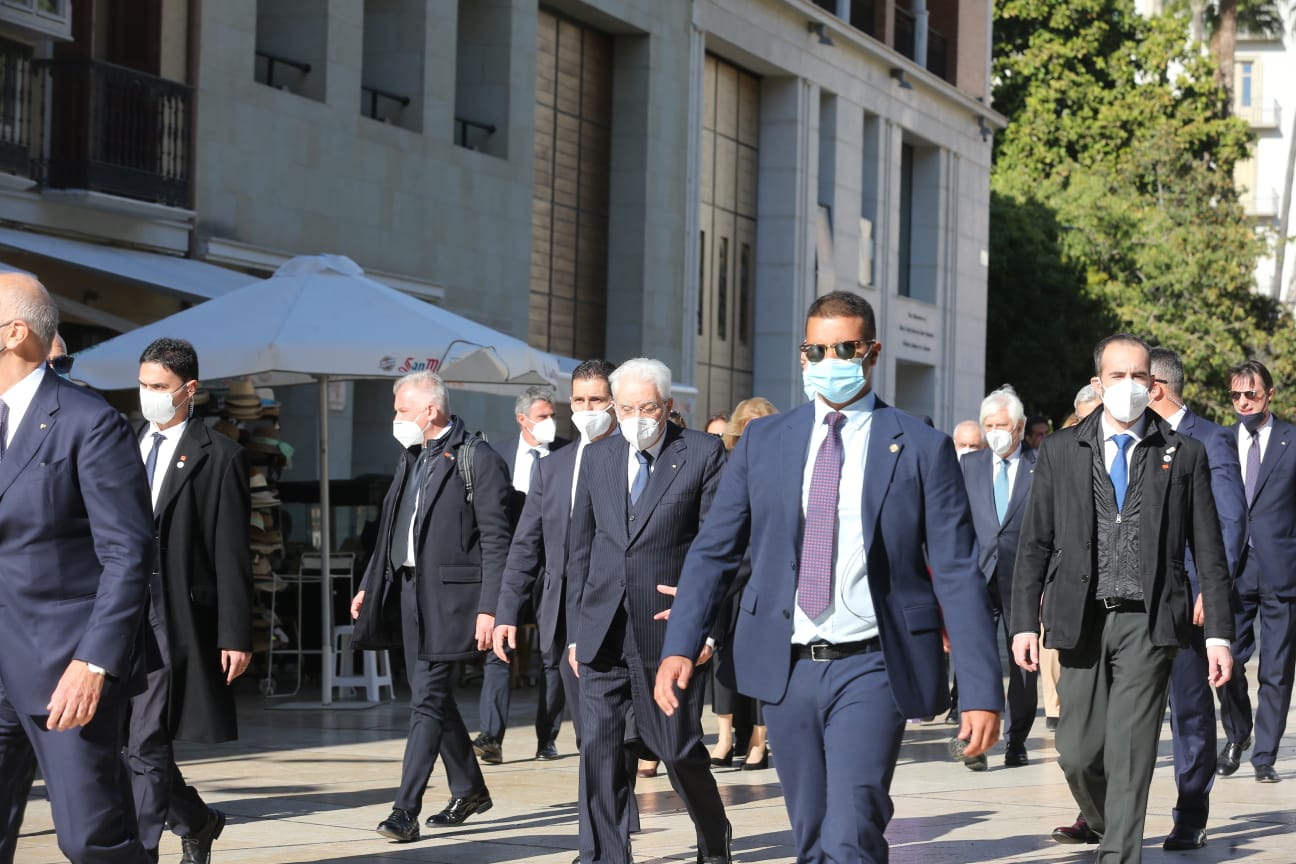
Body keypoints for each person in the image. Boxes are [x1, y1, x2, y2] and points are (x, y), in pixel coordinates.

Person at [656, 291, 1003, 864]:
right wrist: (681, 643)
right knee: (813, 838)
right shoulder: (765, 442)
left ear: (872, 351)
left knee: (852, 831)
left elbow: (960, 573)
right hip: (787, 667)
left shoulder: (920, 446)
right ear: (801, 357)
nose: (830, 361)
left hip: (874, 663)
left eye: (845, 348)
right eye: (816, 350)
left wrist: (981, 691)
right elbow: (714, 550)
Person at [1012, 333, 1233, 864]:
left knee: (1131, 750)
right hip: (1080, 620)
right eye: (1119, 376)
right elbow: (1035, 542)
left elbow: (1209, 550)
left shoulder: (1184, 454)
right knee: (1076, 753)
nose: (1131, 386)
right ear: (1098, 383)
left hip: (1150, 622)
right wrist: (1023, 621)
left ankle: (1119, 853)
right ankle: (1113, 823)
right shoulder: (1062, 451)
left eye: (1141, 377)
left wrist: (1220, 634)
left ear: (1154, 385)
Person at [0, 272, 155, 864]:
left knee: (91, 840)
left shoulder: (89, 422)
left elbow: (129, 554)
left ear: (15, 333)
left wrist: (94, 662)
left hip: (62, 669)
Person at [566, 358, 730, 864]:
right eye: (628, 407)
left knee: (677, 749)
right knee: (599, 751)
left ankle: (714, 836)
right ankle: (608, 857)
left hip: (668, 631)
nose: (638, 416)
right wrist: (575, 632)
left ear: (668, 407)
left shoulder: (702, 453)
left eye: (649, 407)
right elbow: (581, 547)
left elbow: (719, 546)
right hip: (602, 631)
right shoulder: (598, 457)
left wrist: (703, 631)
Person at [350, 371, 512, 843]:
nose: (395, 419)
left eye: (401, 410)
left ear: (430, 410)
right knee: (431, 697)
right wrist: (368, 583)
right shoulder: (412, 457)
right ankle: (470, 789)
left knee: (425, 700)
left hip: (454, 600)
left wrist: (491, 609)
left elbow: (497, 542)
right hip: (407, 592)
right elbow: (390, 530)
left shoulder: (477, 459)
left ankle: (405, 810)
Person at [130, 338, 254, 864]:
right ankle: (196, 821)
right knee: (126, 742)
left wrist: (235, 634)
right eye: (143, 386)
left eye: (158, 387)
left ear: (189, 390)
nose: (148, 396)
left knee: (145, 742)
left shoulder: (219, 455)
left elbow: (232, 553)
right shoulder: (122, 442)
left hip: (174, 617)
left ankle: (138, 851)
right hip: (117, 615)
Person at [1144, 347, 1246, 848]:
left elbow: (1229, 520)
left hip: (1189, 599)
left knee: (1189, 712)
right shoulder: (1135, 439)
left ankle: (1190, 815)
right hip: (1136, 599)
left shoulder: (1211, 438)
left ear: (1156, 388)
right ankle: (1102, 811)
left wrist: (1212, 586)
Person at [475, 385, 570, 765]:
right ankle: (491, 737)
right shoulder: (495, 455)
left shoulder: (567, 452)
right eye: (543, 416)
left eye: (552, 416)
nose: (551, 422)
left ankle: (547, 737)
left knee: (551, 653)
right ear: (522, 419)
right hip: (509, 567)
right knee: (499, 648)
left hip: (553, 565)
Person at [1216, 360, 1295, 785]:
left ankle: (1264, 756)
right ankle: (1238, 733)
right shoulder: (1222, 441)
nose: (1243, 402)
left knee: (1277, 669)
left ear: (1269, 395)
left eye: (1251, 394)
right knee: (1226, 657)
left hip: (1283, 571)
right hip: (1232, 572)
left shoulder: (1292, 440)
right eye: (1236, 395)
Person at [960, 386, 1038, 769]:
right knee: (976, 657)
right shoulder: (969, 467)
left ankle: (1016, 740)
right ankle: (972, 743)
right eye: (988, 425)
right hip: (977, 576)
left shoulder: (1041, 466)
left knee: (1023, 664)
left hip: (1024, 580)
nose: (995, 432)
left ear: (1020, 427)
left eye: (1002, 425)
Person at [709, 397, 778, 771]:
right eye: (746, 424)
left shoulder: (784, 465)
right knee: (724, 658)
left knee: (762, 660)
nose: (753, 432)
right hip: (729, 575)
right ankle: (723, 737)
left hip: (766, 576)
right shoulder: (726, 463)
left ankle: (757, 741)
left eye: (761, 424)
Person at [1040, 383, 1106, 735]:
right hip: (1064, 577)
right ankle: (1056, 707)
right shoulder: (1059, 451)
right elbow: (1040, 529)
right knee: (1055, 648)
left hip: (1110, 585)